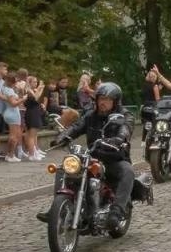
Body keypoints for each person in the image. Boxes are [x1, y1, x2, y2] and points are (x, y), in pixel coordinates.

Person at [38, 81, 135, 224]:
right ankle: (57, 209)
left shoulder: (124, 115)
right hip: (93, 156)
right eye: (101, 99)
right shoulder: (91, 115)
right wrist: (62, 137)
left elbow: (127, 127)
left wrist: (119, 138)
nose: (103, 103)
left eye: (107, 100)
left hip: (114, 157)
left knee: (128, 171)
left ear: (115, 102)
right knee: (64, 169)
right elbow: (77, 126)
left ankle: (117, 211)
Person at [4, 70, 29, 160]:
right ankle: (10, 155)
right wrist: (23, 99)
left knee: (13, 135)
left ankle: (10, 154)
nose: (17, 82)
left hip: (12, 113)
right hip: (12, 113)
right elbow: (13, 103)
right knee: (14, 136)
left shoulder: (6, 89)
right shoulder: (9, 91)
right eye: (16, 81)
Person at [22, 73, 47, 161]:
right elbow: (35, 98)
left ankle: (34, 152)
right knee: (31, 135)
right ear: (29, 83)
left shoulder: (32, 90)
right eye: (34, 82)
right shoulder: (28, 91)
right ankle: (31, 154)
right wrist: (40, 88)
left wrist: (40, 88)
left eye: (36, 82)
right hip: (32, 114)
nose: (35, 84)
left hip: (34, 112)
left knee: (33, 134)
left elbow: (38, 97)